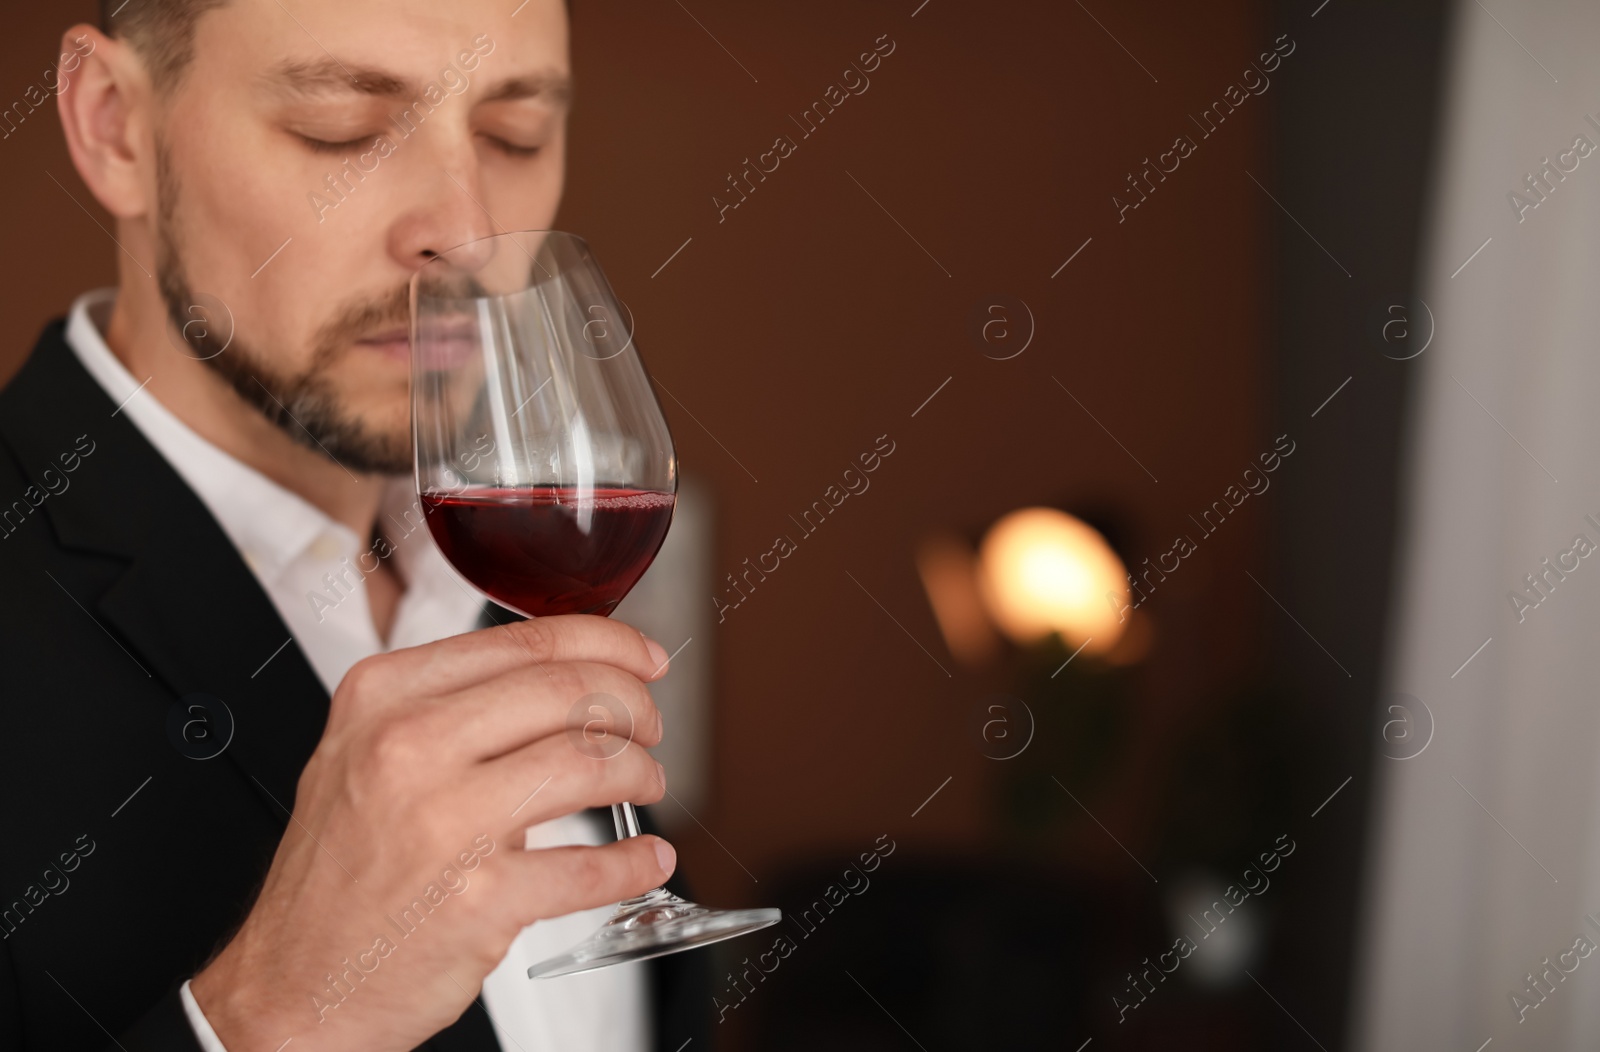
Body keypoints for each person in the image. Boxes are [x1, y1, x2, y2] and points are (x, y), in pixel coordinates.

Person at [0, 1, 708, 1048]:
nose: (463, 231)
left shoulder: (506, 561)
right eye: (343, 129)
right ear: (115, 125)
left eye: (513, 133)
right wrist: (271, 1021)